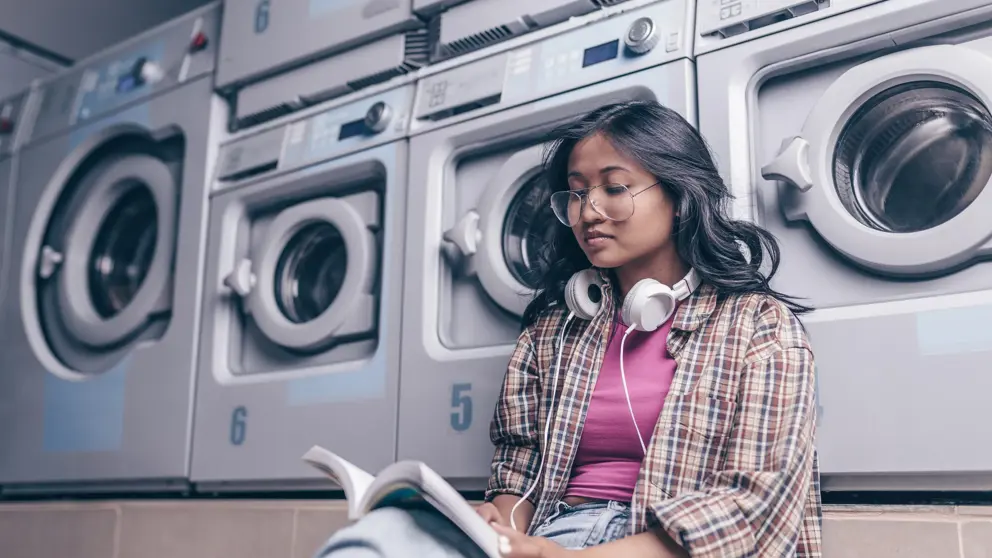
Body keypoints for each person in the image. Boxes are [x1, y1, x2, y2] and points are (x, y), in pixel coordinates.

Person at [313, 100, 822, 558]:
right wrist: (501, 524)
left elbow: (758, 500)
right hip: (556, 534)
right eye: (576, 195)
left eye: (614, 188)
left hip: (667, 550)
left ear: (680, 194)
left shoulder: (759, 325)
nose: (587, 213)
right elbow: (517, 467)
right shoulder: (553, 330)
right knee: (382, 539)